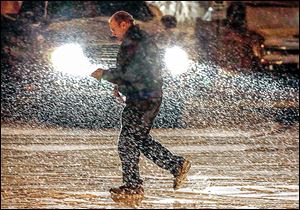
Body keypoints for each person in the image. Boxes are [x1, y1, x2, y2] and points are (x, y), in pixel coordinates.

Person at [90, 11, 191, 201]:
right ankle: (173, 167)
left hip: (144, 98)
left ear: (124, 24)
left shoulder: (135, 43)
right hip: (143, 96)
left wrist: (104, 74)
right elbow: (134, 72)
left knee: (128, 142)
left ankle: (135, 186)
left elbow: (131, 73)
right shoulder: (137, 40)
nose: (112, 33)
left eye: (114, 28)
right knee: (138, 139)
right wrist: (120, 86)